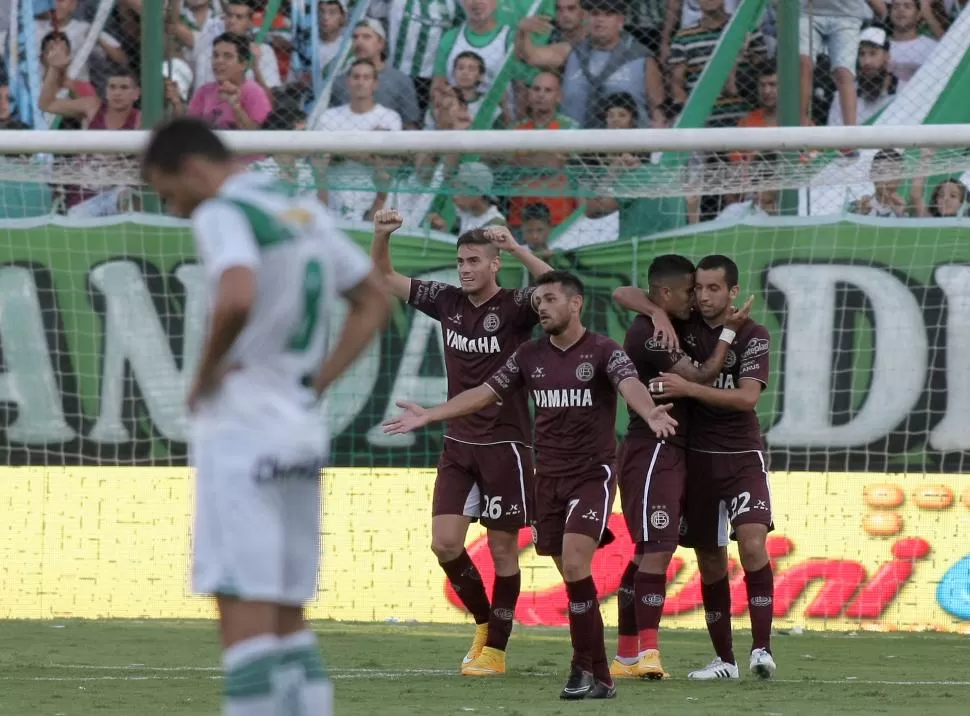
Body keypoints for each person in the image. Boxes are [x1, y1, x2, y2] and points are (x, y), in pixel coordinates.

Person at [140, 117, 391, 715]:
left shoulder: (222, 211)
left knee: (242, 606)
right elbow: (373, 300)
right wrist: (317, 382)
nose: (176, 211)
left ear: (193, 168)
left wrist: (203, 378)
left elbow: (236, 293)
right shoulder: (301, 208)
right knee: (287, 617)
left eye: (169, 194)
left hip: (243, 423)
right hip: (299, 425)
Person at [383, 269, 678, 699]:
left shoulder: (604, 351)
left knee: (577, 565)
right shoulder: (529, 355)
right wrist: (430, 414)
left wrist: (650, 412)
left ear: (575, 303)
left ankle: (583, 671)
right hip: (548, 478)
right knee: (573, 576)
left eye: (551, 299)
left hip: (591, 475)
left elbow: (629, 384)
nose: (542, 307)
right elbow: (484, 392)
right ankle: (600, 674)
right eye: (538, 301)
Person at [370, 211, 555, 677]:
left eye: (474, 260)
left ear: (494, 265)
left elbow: (557, 288)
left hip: (506, 444)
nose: (465, 268)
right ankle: (483, 622)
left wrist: (516, 248)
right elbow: (385, 276)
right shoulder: (446, 300)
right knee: (445, 544)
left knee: (502, 552)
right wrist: (380, 236)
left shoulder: (517, 305)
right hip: (458, 444)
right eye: (460, 261)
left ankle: (496, 650)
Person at [619, 255, 777, 681]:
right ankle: (724, 660)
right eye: (698, 289)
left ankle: (761, 648)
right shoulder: (680, 327)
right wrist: (653, 309)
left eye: (712, 289)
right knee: (710, 561)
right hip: (698, 462)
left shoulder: (753, 334)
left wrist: (688, 387)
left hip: (743, 456)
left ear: (732, 292)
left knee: (754, 544)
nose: (703, 297)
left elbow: (747, 399)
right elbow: (623, 293)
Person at [184, 33, 272, 129]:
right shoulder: (204, 91)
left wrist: (236, 106)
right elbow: (190, 129)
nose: (219, 61)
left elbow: (256, 134)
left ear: (243, 64)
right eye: (215, 55)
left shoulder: (254, 92)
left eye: (228, 56)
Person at [888, 0, 938, 89]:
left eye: (907, 6)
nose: (900, 10)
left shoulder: (932, 47)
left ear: (918, 15)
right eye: (896, 6)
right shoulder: (880, 46)